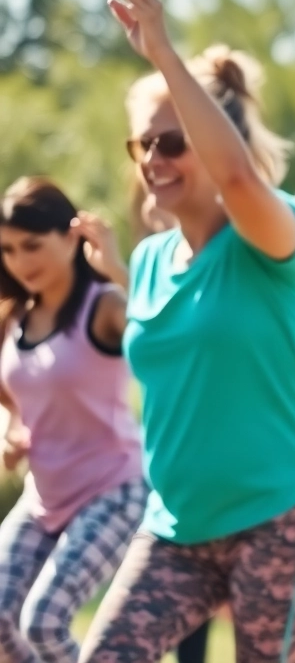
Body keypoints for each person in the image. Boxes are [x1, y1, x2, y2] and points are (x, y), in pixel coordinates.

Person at [80, 0, 295, 663]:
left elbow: (236, 180)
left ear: (213, 138)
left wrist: (165, 54)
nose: (155, 159)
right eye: (144, 144)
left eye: (174, 141)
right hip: (176, 528)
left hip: (282, 517)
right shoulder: (147, 261)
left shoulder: (280, 234)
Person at [0, 179, 145, 663]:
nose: (22, 261)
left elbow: (165, 331)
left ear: (71, 238)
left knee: (42, 623)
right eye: (9, 250)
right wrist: (11, 432)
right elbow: (18, 397)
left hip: (113, 490)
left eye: (33, 245)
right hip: (44, 497)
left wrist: (120, 270)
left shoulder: (103, 306)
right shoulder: (14, 319)